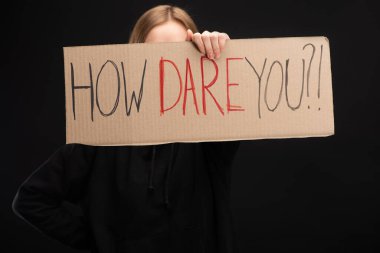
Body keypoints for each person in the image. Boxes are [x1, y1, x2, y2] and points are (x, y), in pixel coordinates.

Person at [12, 5, 241, 253]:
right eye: (154, 53)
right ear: (133, 56)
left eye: (178, 51)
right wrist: (100, 239)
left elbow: (235, 108)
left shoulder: (211, 127)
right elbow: (31, 199)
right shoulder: (101, 132)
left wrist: (219, 56)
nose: (166, 64)